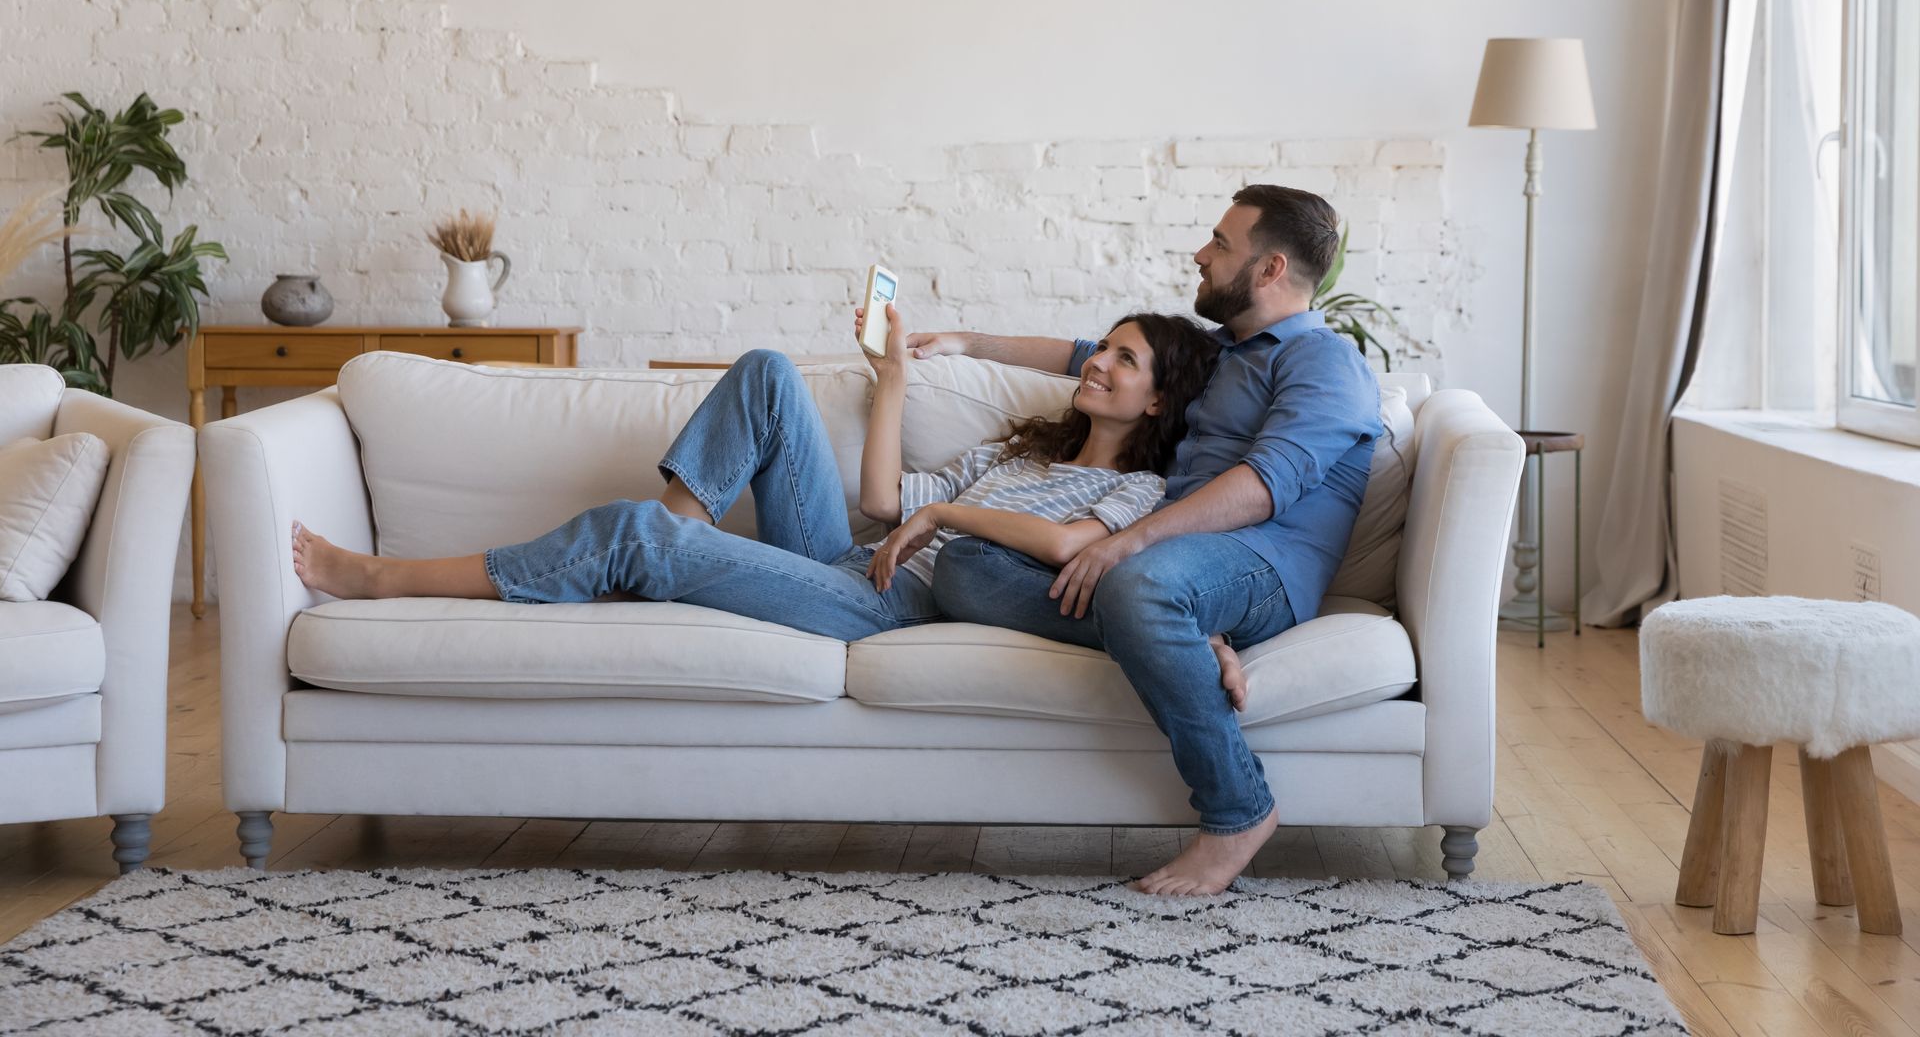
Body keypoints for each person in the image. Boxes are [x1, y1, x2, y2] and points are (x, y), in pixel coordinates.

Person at [910, 185, 1382, 897]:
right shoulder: (1220, 353)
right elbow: (1082, 357)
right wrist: (965, 342)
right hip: (1179, 562)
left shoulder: (1324, 360)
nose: (1200, 252)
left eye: (1221, 243)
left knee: (1140, 584)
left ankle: (1238, 811)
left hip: (1264, 561)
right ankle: (1182, 637)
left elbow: (1264, 487)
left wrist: (1128, 544)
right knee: (967, 564)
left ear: (1269, 268)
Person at [290, 308, 1221, 650]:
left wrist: (949, 517)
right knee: (769, 372)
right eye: (1102, 348)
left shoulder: (1138, 495)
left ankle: (380, 576)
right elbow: (881, 506)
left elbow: (1066, 549)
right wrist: (892, 381)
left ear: (1155, 403)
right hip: (855, 560)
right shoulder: (1023, 452)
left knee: (633, 537)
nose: (1098, 363)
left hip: (898, 604)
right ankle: (661, 545)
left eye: (1124, 361)